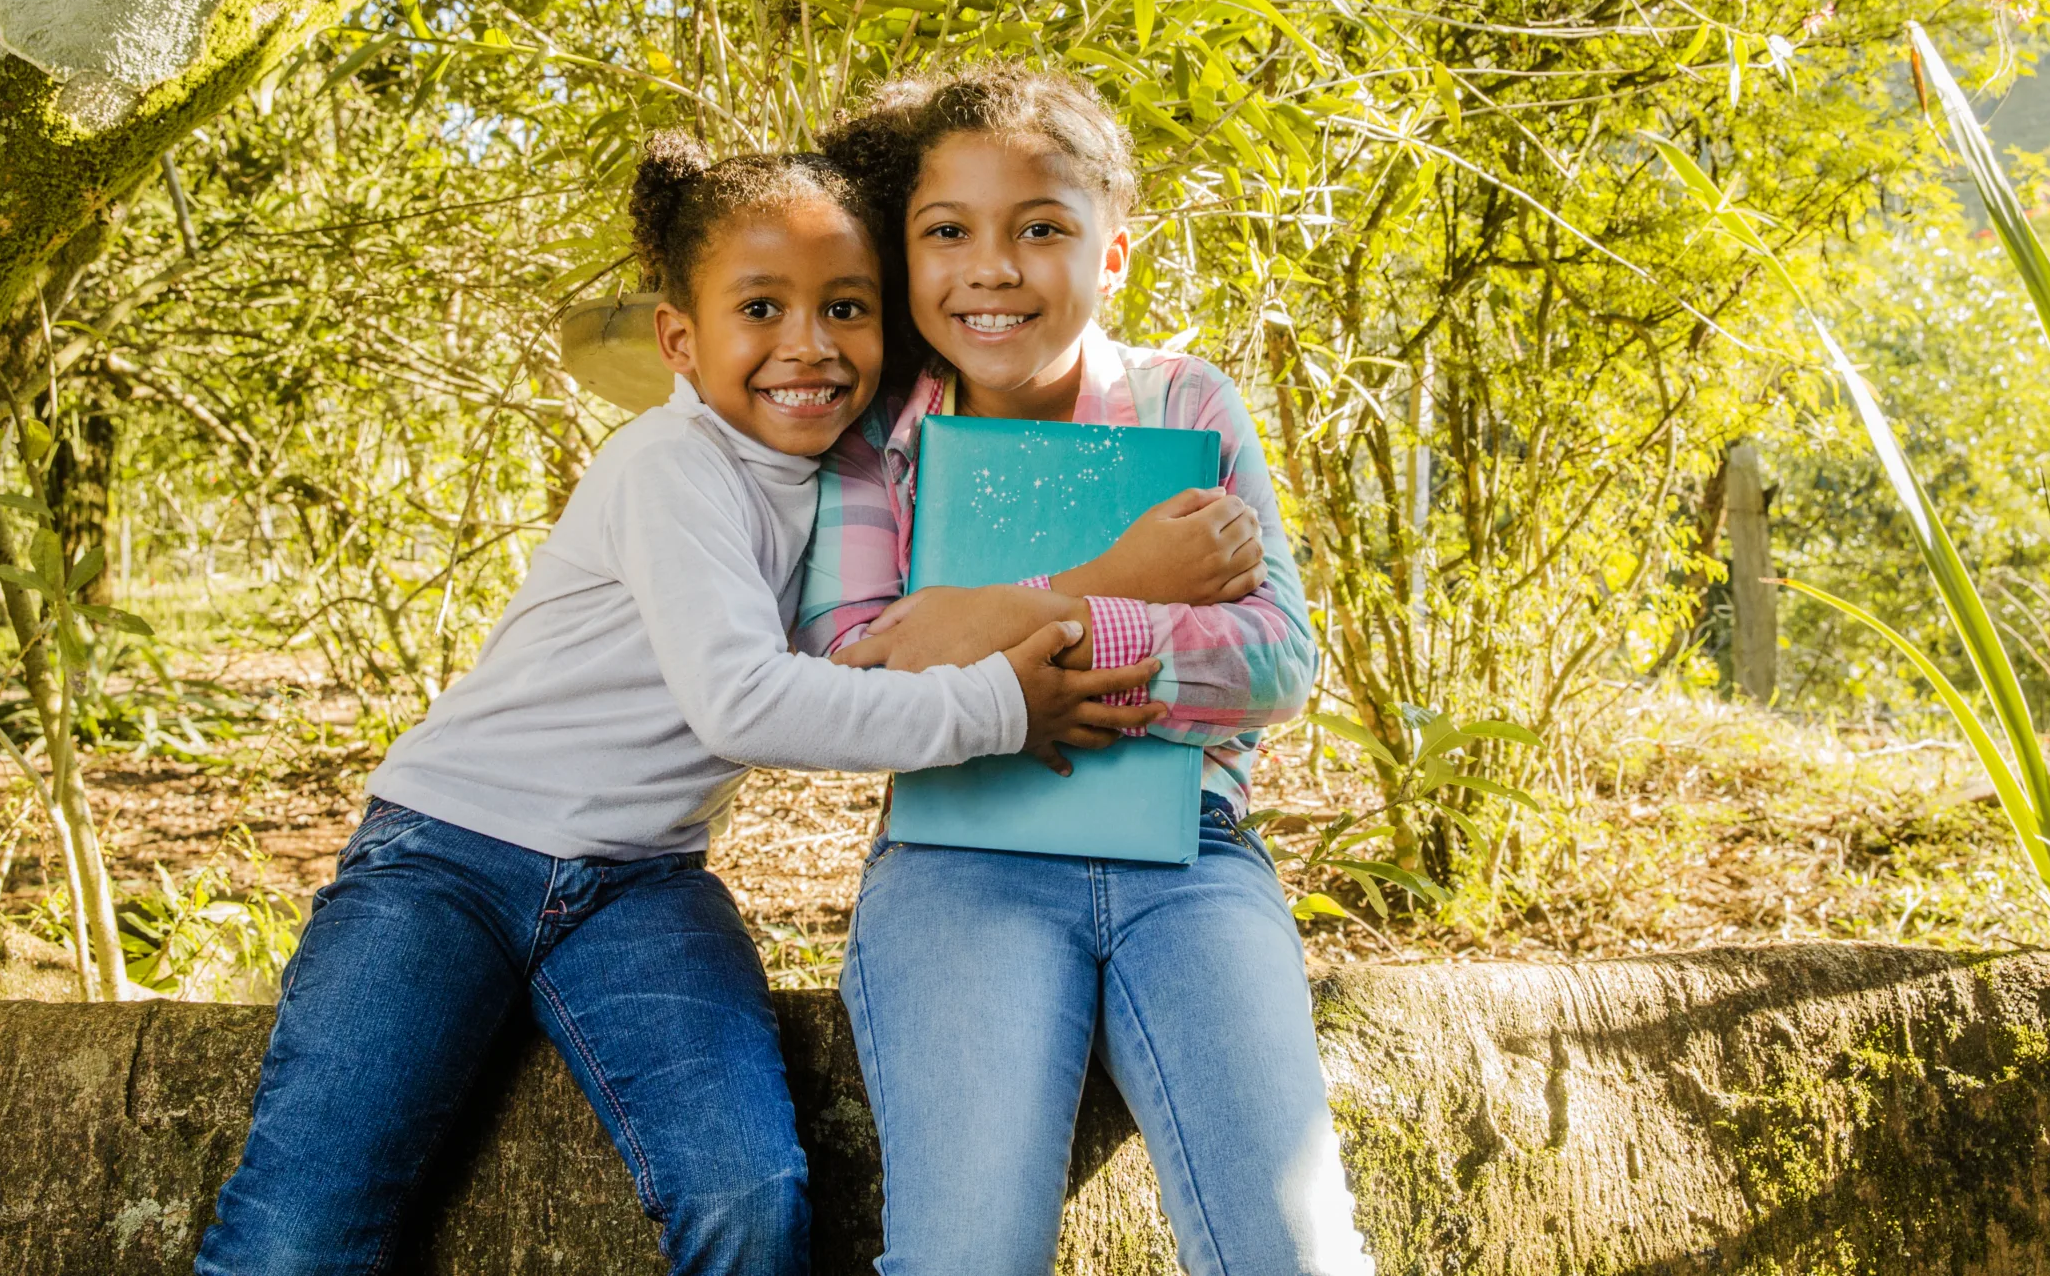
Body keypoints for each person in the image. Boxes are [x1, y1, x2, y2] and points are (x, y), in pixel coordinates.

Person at [194, 133, 1163, 1276]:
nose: (807, 345)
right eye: (761, 308)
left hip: (640, 884)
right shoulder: (668, 466)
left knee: (748, 1199)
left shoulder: (865, 482)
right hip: (449, 855)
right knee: (303, 1228)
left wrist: (1114, 579)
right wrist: (1004, 705)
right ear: (678, 340)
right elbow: (746, 704)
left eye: (846, 307)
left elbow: (884, 650)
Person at [800, 64, 1373, 1276]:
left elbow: (1272, 661)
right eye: (946, 233)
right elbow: (861, 666)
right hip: (962, 862)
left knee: (1295, 1255)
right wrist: (1130, 582)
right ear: (905, 262)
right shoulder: (874, 445)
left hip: (1193, 860)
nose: (990, 267)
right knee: (965, 1258)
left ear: (1112, 255)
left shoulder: (1187, 403)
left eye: (1041, 229)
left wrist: (1001, 642)